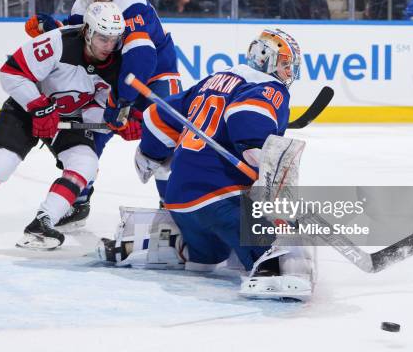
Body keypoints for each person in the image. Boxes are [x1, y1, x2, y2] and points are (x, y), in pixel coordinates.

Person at [98, 29, 316, 301]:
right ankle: (272, 268)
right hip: (219, 197)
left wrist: (150, 154)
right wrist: (259, 156)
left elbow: (161, 115)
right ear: (266, 60)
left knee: (214, 254)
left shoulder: (216, 79)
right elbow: (247, 117)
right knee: (283, 240)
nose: (288, 72)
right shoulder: (269, 88)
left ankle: (175, 244)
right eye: (284, 64)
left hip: (179, 201)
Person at [0, 2, 125, 250]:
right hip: (27, 109)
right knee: (1, 163)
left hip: (68, 118)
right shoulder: (58, 42)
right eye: (104, 38)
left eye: (114, 39)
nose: (109, 45)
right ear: (88, 32)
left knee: (86, 163)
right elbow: (11, 72)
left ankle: (43, 222)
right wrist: (40, 107)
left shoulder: (116, 63)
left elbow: (95, 106)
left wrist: (111, 124)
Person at [25, 0, 182, 219]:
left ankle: (173, 205)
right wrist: (55, 29)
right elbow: (78, 45)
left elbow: (140, 59)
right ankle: (79, 198)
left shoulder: (132, 2)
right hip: (117, 77)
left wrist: (123, 104)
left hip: (156, 76)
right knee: (88, 139)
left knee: (163, 136)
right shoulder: (84, 1)